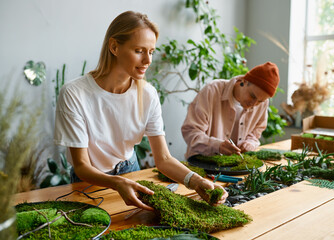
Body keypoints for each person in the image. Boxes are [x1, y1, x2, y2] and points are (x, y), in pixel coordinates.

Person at [54, 11, 227, 210]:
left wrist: (197, 182)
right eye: (139, 50)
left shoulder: (148, 94)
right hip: (90, 181)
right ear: (114, 47)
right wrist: (117, 183)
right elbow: (82, 165)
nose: (148, 60)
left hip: (131, 171)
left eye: (151, 51)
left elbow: (163, 159)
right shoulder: (74, 93)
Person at [181, 62, 280, 159]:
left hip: (235, 165)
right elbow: (190, 132)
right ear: (244, 81)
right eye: (252, 96)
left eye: (260, 101)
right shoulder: (212, 91)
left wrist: (250, 143)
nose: (254, 104)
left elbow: (256, 132)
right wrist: (217, 145)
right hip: (201, 163)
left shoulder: (262, 103)